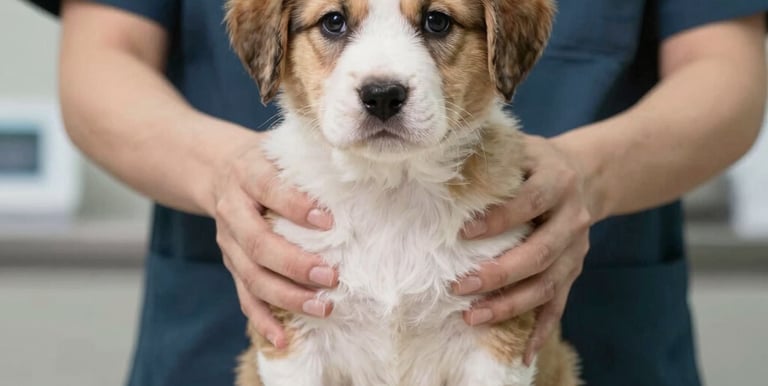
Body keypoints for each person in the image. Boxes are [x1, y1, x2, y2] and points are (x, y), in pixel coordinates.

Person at [25, 0, 768, 385]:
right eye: (335, 22)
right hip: (208, 331)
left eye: (436, 21)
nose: (382, 76)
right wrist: (221, 170)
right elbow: (101, 60)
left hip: (608, 326)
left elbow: (727, 70)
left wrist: (591, 174)